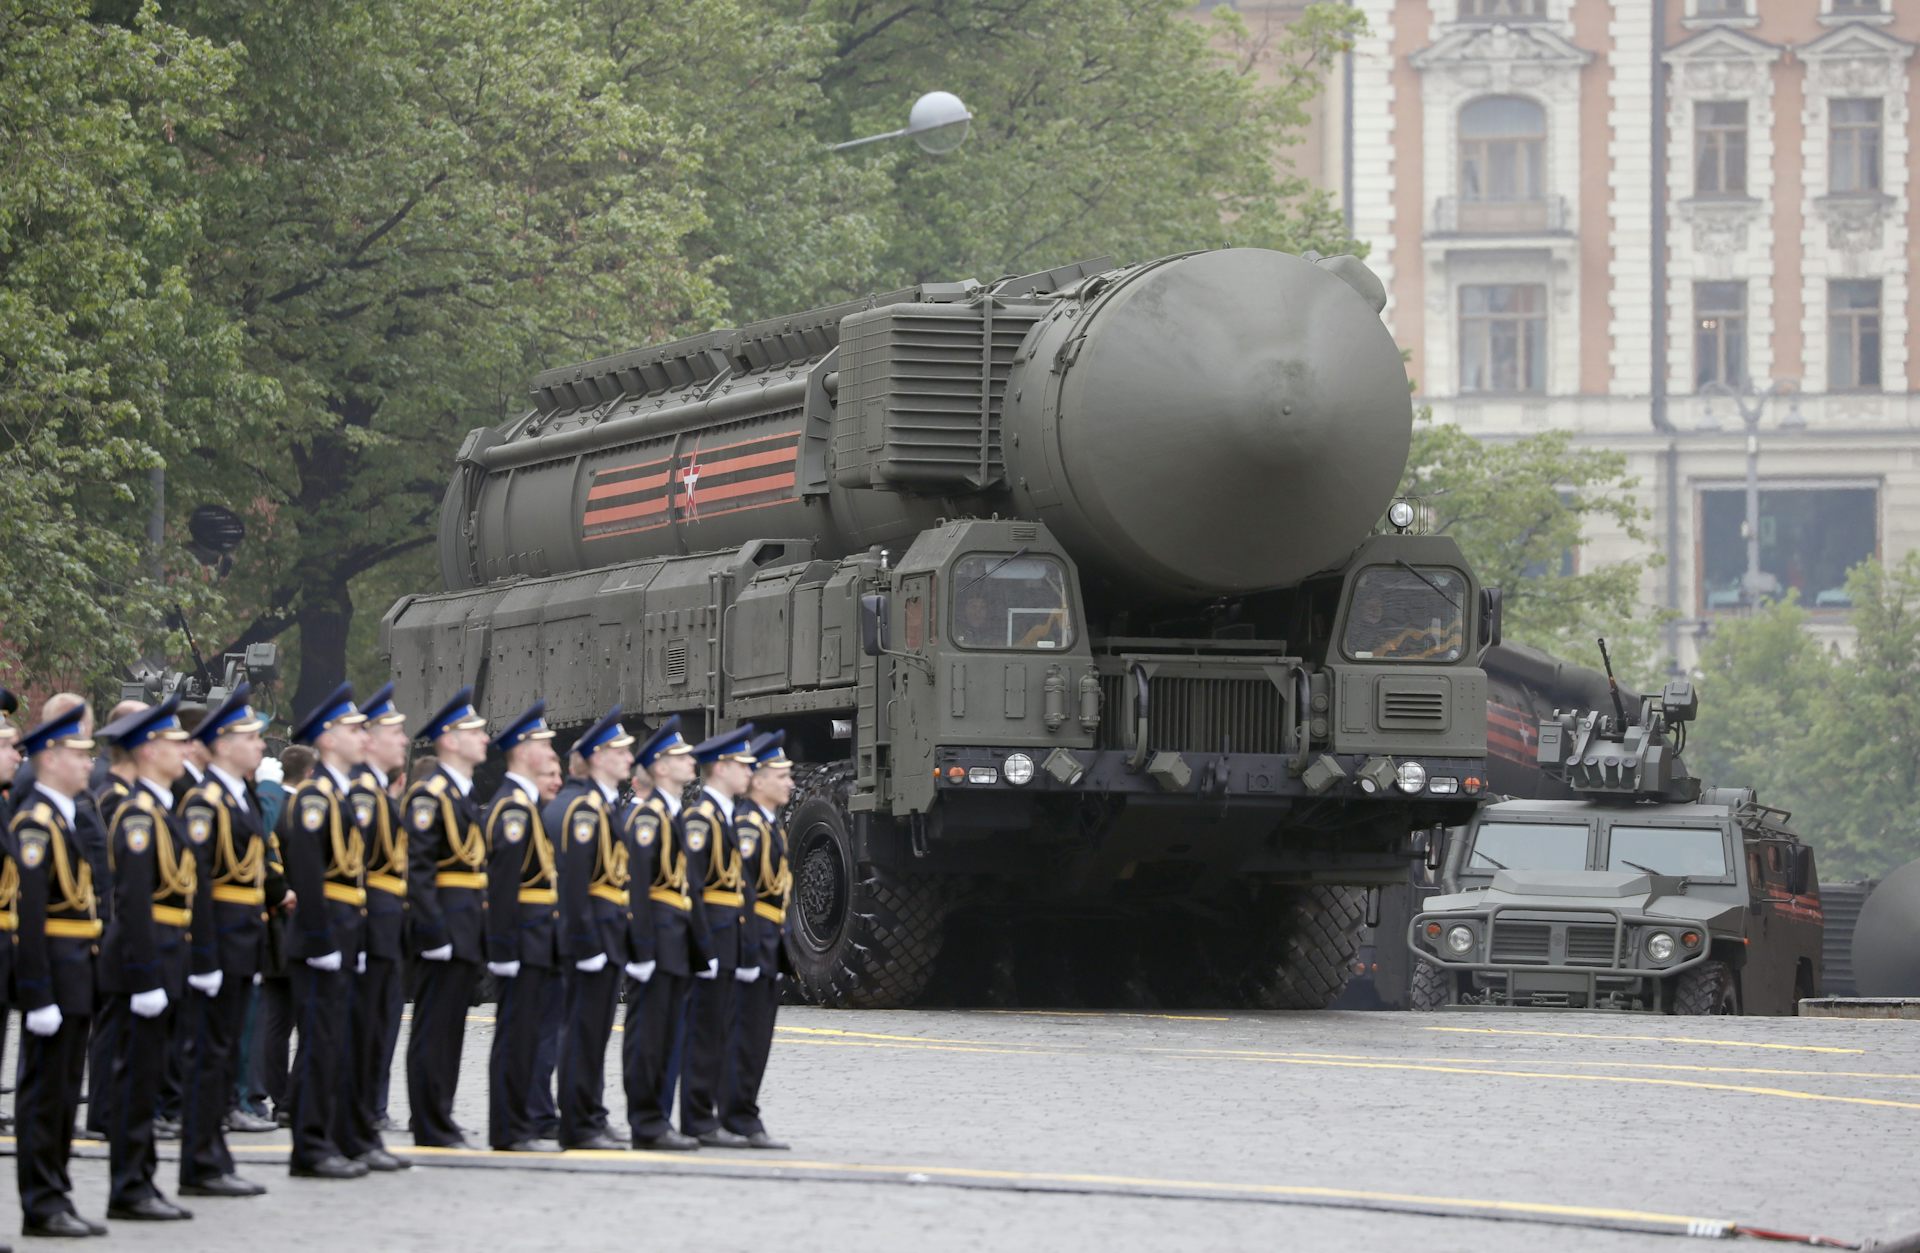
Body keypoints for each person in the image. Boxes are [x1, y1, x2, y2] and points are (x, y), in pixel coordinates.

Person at [96, 696, 205, 1223]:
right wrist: (144, 977)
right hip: (144, 958)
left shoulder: (161, 807)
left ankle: (141, 1180)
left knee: (149, 1074)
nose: (185, 747)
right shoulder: (138, 815)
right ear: (147, 750)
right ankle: (128, 1187)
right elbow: (135, 901)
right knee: (135, 1078)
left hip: (166, 952)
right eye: (174, 740)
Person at [176, 684, 275, 1198]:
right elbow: (200, 883)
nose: (260, 745)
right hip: (217, 945)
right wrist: (205, 954)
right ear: (221, 742)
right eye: (250, 736)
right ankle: (200, 1162)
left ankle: (214, 1155)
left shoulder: (241, 793)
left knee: (223, 1052)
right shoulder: (205, 801)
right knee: (208, 1055)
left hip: (242, 942)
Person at [12, 704, 107, 1237]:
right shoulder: (36, 825)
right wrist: (37, 993)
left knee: (66, 1092)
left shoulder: (64, 815)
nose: (86, 764)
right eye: (77, 754)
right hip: (52, 974)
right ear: (49, 757)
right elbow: (29, 916)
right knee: (44, 1094)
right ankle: (41, 1203)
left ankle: (58, 1193)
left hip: (77, 973)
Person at [278, 685, 371, 1180]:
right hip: (322, 936)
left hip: (340, 931)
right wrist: (320, 941)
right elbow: (310, 872)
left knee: (333, 1042)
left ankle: (327, 1138)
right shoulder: (315, 797)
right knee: (317, 1045)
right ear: (329, 739)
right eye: (355, 730)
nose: (363, 737)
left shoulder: (337, 793)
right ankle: (310, 1148)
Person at [546, 707, 639, 1151]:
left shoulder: (601, 804)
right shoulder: (585, 808)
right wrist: (585, 944)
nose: (629, 757)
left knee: (596, 1032)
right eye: (620, 750)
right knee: (582, 1031)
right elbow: (576, 884)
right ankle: (578, 1122)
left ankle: (592, 1113)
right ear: (599, 756)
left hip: (607, 933)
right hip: (591, 938)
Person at [402, 688, 490, 1150]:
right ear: (450, 740)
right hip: (443, 930)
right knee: (434, 1029)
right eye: (474, 732)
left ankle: (442, 1115)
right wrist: (432, 932)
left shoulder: (461, 793)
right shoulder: (430, 795)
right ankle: (428, 1121)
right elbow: (419, 870)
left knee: (451, 1029)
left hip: (463, 928)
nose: (485, 739)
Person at [481, 701, 560, 1152]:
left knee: (525, 1034)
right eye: (543, 742)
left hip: (534, 940)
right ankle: (508, 1128)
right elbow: (505, 887)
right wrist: (505, 951)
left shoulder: (523, 805)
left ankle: (518, 1123)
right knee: (515, 1036)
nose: (549, 748)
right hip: (521, 944)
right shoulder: (513, 808)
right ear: (523, 751)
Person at [621, 715, 702, 1151]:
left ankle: (659, 1116)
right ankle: (646, 1121)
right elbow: (637, 887)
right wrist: (642, 948)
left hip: (676, 941)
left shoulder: (675, 814)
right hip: (656, 942)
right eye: (681, 754)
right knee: (649, 1035)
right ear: (661, 767)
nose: (691, 759)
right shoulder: (649, 818)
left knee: (668, 1034)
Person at [674, 723, 758, 1147]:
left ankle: (705, 1114)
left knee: (718, 1031)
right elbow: (692, 890)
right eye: (743, 764)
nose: (750, 772)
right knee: (703, 1033)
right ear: (722, 767)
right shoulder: (701, 820)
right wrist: (702, 948)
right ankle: (696, 1118)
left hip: (729, 939)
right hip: (712, 940)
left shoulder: (725, 816)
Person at [344, 684, 411, 1169]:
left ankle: (366, 1126)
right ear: (369, 739)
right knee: (365, 1033)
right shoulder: (363, 794)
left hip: (384, 928)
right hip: (369, 929)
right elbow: (359, 868)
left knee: (378, 1032)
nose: (404, 740)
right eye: (395, 732)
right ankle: (358, 1126)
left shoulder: (373, 792)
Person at [722, 731, 794, 1149]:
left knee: (756, 1035)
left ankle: (741, 1111)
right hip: (753, 940)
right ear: (758, 781)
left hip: (768, 939)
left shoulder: (768, 826)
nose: (790, 783)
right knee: (744, 1034)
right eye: (781, 775)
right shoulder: (748, 828)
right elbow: (741, 893)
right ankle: (737, 1115)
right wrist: (748, 948)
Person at [252, 745, 312, 1127]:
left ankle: (278, 1095)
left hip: (274, 927)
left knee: (276, 1021)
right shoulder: (297, 812)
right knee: (298, 1018)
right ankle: (289, 1098)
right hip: (294, 923)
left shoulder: (276, 810)